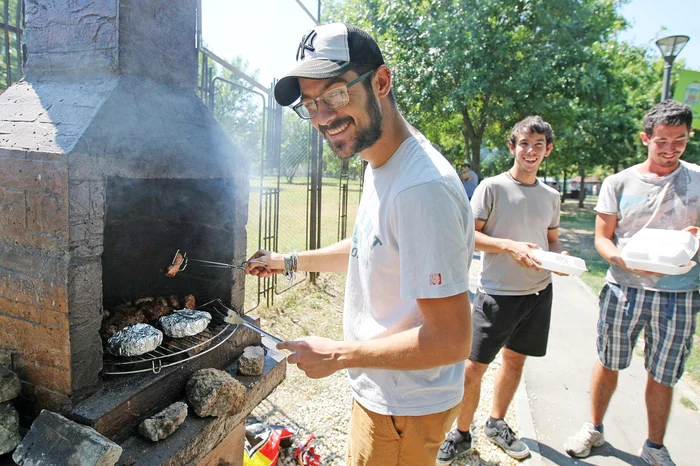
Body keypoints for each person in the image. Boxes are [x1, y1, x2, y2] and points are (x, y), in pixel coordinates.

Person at [245, 23, 475, 466]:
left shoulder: (420, 188)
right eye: (309, 105)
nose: (322, 118)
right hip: (385, 389)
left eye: (333, 95)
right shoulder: (382, 163)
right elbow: (370, 244)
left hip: (405, 407)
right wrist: (287, 260)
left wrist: (338, 355)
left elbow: (450, 340)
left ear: (381, 82)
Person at [565, 100, 699, 466]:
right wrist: (619, 259)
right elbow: (603, 238)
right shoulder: (618, 182)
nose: (670, 149)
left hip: (680, 293)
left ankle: (655, 446)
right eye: (662, 141)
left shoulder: (699, 178)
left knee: (665, 372)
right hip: (623, 288)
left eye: (680, 140)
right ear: (645, 138)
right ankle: (593, 428)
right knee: (608, 361)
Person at [437, 116, 564, 464]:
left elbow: (551, 241)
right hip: (497, 294)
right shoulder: (491, 188)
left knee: (515, 360)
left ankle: (496, 423)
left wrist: (558, 260)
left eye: (539, 145)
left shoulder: (552, 196)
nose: (531, 151)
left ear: (548, 150)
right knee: (473, 368)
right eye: (524, 143)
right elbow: (470, 236)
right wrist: (510, 247)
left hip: (538, 293)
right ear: (513, 146)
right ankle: (461, 433)